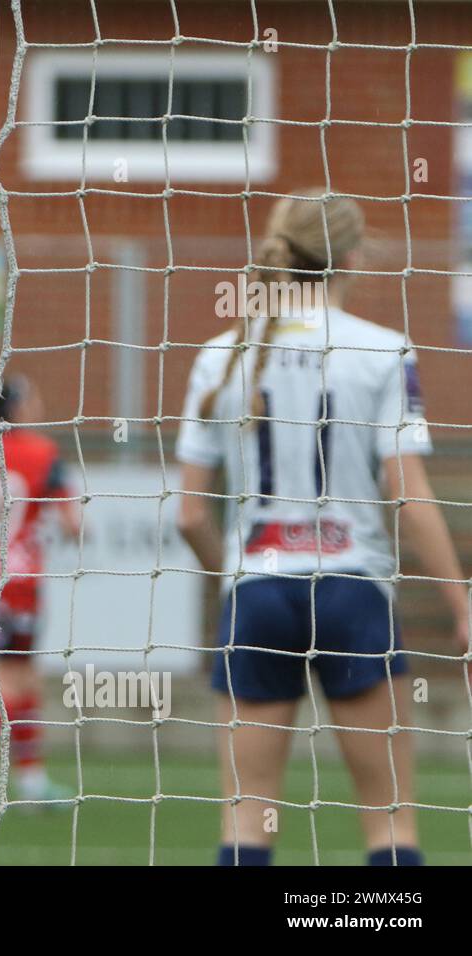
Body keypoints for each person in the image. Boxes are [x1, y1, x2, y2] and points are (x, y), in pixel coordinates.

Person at [175, 188, 470, 866]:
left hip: (260, 592)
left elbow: (190, 512)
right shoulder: (383, 350)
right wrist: (461, 604)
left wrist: (237, 583)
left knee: (248, 821)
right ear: (355, 258)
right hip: (352, 591)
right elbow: (410, 494)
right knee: (390, 823)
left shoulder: (222, 355)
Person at [0, 375, 80, 808]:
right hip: (18, 581)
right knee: (9, 682)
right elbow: (72, 523)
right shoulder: (42, 453)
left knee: (21, 679)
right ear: (20, 408)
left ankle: (30, 778)